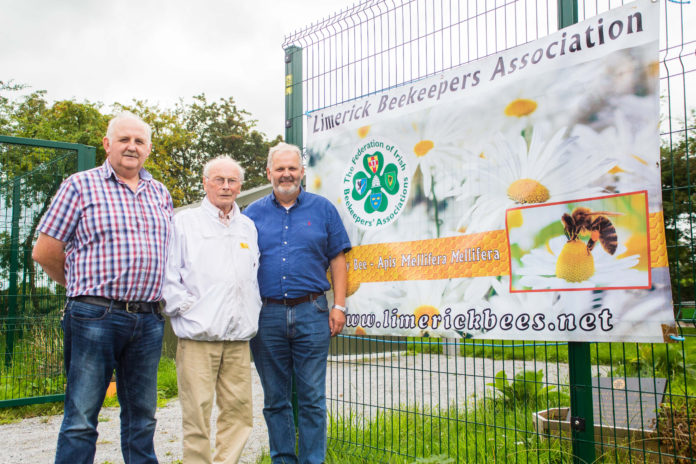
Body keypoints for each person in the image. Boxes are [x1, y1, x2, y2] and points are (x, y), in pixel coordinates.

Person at [32, 111, 173, 464]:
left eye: (139, 141)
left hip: (149, 317)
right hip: (94, 315)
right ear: (107, 144)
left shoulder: (160, 193)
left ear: (149, 149)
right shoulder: (80, 185)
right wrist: (82, 288)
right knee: (81, 417)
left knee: (143, 417)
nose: (131, 146)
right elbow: (45, 252)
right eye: (124, 139)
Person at [243, 142, 351, 464]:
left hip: (313, 312)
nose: (286, 174)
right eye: (280, 169)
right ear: (269, 173)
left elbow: (338, 259)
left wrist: (340, 306)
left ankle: (312, 461)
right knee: (275, 400)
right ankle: (283, 460)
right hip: (267, 316)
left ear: (302, 172)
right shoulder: (251, 215)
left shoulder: (323, 209)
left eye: (292, 168)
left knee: (312, 399)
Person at [162, 156, 261, 463]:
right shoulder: (184, 223)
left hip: (237, 340)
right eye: (219, 179)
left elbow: (251, 276)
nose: (226, 186)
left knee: (239, 414)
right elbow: (168, 276)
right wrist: (189, 309)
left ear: (240, 185)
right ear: (205, 182)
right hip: (197, 338)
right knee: (197, 417)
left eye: (232, 181)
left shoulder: (248, 227)